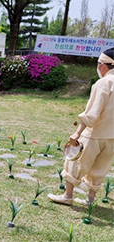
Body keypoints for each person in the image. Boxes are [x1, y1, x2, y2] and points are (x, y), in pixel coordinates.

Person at [48, 47, 114, 206]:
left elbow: (92, 112)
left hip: (95, 133)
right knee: (100, 167)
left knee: (75, 161)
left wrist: (77, 133)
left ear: (102, 65)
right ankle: (90, 200)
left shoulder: (104, 82)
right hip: (112, 137)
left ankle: (67, 195)